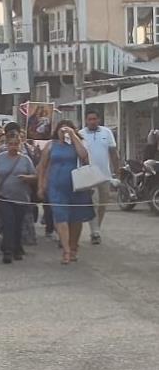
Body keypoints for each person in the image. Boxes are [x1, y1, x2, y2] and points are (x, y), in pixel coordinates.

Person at [38, 121, 96, 264]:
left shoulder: (79, 143)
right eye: (60, 130)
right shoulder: (51, 145)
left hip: (76, 187)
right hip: (56, 186)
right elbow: (43, 167)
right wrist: (41, 185)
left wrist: (73, 136)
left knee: (76, 219)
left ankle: (74, 247)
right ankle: (66, 250)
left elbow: (84, 156)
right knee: (60, 216)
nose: (63, 133)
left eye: (66, 130)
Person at [0, 132, 38, 264]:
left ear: (20, 145)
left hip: (21, 197)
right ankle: (8, 251)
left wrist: (27, 178)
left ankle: (16, 247)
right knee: (8, 221)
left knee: (17, 224)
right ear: (6, 145)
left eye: (16, 144)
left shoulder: (25, 160)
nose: (13, 146)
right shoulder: (0, 158)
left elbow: (35, 176)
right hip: (4, 196)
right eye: (11, 144)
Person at [82, 110, 120, 244]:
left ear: (98, 120)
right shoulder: (81, 134)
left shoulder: (106, 132)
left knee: (102, 205)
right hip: (90, 176)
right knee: (94, 204)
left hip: (105, 175)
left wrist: (117, 171)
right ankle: (95, 233)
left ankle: (97, 229)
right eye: (89, 119)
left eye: (94, 119)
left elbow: (113, 153)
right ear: (86, 120)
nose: (92, 121)